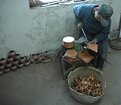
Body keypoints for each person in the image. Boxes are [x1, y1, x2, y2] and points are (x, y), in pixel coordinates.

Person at [73, 4, 113, 70]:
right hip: (87, 34)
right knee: (86, 49)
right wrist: (79, 21)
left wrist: (96, 39)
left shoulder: (107, 20)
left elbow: (105, 32)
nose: (99, 21)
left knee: (102, 56)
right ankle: (91, 61)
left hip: (100, 36)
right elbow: (74, 8)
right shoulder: (84, 9)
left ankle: (99, 68)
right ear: (97, 11)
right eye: (99, 19)